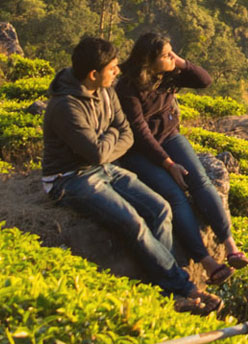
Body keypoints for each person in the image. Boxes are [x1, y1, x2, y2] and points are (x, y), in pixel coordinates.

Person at [41, 36, 220, 315]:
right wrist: (112, 139)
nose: (116, 72)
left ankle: (167, 288)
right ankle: (182, 287)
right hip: (70, 178)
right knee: (133, 223)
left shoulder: (106, 90)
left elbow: (125, 135)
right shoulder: (66, 107)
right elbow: (99, 151)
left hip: (105, 168)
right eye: (112, 68)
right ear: (93, 74)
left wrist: (109, 140)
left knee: (160, 209)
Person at [115, 31, 248, 283]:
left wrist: (180, 62)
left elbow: (204, 81)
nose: (171, 58)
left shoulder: (169, 74)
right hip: (139, 150)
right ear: (149, 60)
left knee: (200, 180)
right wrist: (167, 164)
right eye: (166, 55)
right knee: (176, 197)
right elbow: (140, 131)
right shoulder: (128, 87)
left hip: (170, 136)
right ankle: (207, 262)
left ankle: (230, 245)